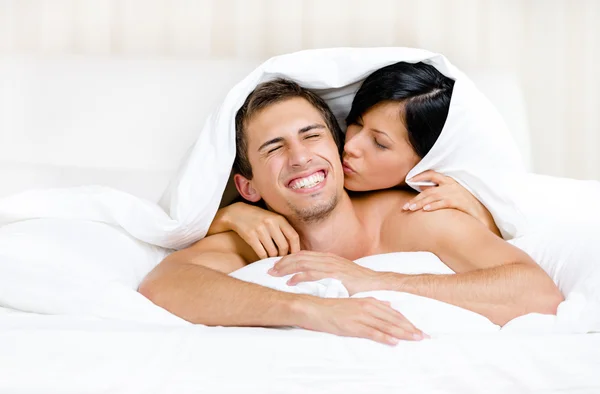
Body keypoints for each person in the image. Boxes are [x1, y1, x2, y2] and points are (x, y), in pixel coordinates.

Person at [139, 78, 563, 345]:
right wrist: (307, 309)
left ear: (335, 146)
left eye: (312, 135)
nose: (301, 156)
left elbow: (537, 293)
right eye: (274, 147)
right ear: (247, 186)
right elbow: (164, 284)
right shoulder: (256, 241)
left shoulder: (416, 213)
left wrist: (371, 280)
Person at [208, 62, 500, 260]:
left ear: (424, 164)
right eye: (355, 124)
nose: (349, 146)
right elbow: (184, 224)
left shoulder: (436, 204)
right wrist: (230, 215)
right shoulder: (291, 186)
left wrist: (482, 214)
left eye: (380, 143)